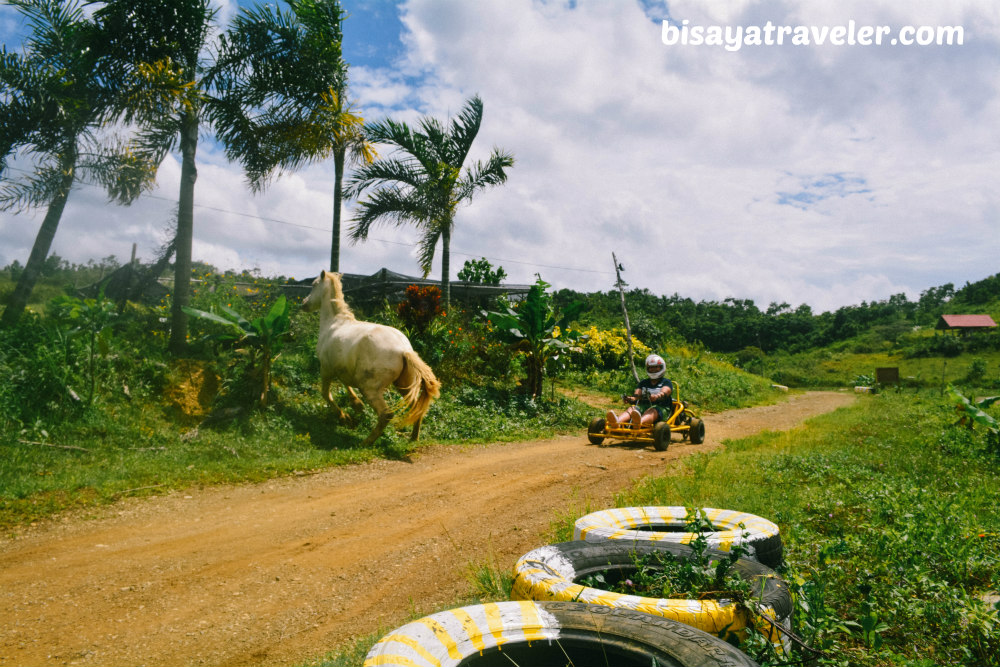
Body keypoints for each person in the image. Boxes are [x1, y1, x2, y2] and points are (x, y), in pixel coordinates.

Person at [607, 354, 673, 428]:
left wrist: (656, 396)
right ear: (647, 369)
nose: (653, 369)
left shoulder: (666, 382)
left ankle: (639, 423)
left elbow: (665, 392)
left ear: (661, 367)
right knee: (632, 408)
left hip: (661, 408)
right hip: (644, 406)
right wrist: (630, 399)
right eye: (651, 367)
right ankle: (617, 422)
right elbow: (636, 396)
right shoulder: (643, 383)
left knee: (652, 410)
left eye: (656, 367)